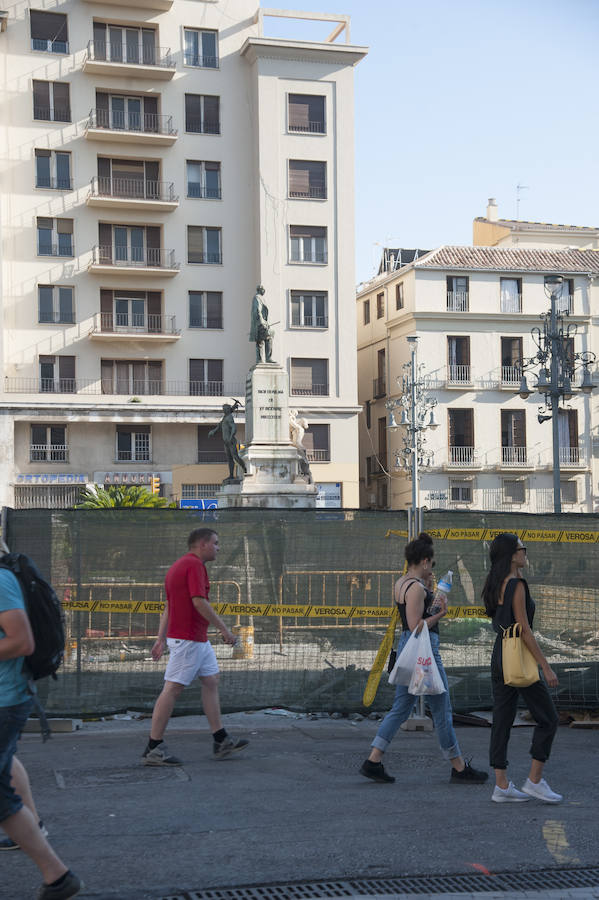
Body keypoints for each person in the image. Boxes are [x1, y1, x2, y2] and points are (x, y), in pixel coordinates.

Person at [360, 532, 488, 785]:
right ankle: (459, 767)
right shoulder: (416, 589)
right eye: (432, 563)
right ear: (425, 561)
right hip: (423, 651)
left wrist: (429, 593)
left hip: (409, 648)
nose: (432, 568)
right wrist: (441, 613)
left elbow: (410, 621)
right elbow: (417, 625)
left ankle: (373, 760)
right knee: (442, 707)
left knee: (401, 707)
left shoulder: (402, 583)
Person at [0, 552, 82, 898]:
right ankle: (35, 830)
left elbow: (22, 641)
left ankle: (57, 876)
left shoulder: (1, 581)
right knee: (6, 763)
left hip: (4, 700)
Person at [142, 528, 249, 765]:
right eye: (216, 543)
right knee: (172, 690)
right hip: (188, 640)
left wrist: (160, 638)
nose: (219, 548)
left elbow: (169, 606)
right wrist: (224, 629)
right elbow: (198, 601)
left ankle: (221, 740)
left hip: (195, 639)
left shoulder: (179, 566)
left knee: (211, 680)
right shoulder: (194, 566)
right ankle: (153, 747)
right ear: (202, 544)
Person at [482, 533, 561, 803]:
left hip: (499, 654)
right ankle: (535, 781)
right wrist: (546, 666)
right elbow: (525, 630)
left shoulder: (494, 583)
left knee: (502, 720)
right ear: (511, 555)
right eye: (521, 549)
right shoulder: (517, 585)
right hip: (518, 656)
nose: (525, 552)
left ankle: (501, 785)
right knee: (548, 718)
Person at [208, 400, 247, 481]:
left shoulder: (229, 417)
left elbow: (234, 428)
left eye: (224, 409)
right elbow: (219, 426)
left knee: (235, 457)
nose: (223, 410)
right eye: (223, 409)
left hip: (231, 441)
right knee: (229, 459)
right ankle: (231, 475)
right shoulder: (225, 417)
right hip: (226, 442)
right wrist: (213, 431)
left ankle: (245, 468)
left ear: (227, 410)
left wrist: (231, 437)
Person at [249, 284, 274, 363]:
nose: (264, 291)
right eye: (263, 289)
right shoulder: (258, 298)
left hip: (262, 322)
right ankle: (266, 358)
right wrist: (262, 322)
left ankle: (261, 359)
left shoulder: (260, 298)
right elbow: (257, 310)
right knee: (267, 337)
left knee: (262, 340)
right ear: (261, 290)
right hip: (260, 323)